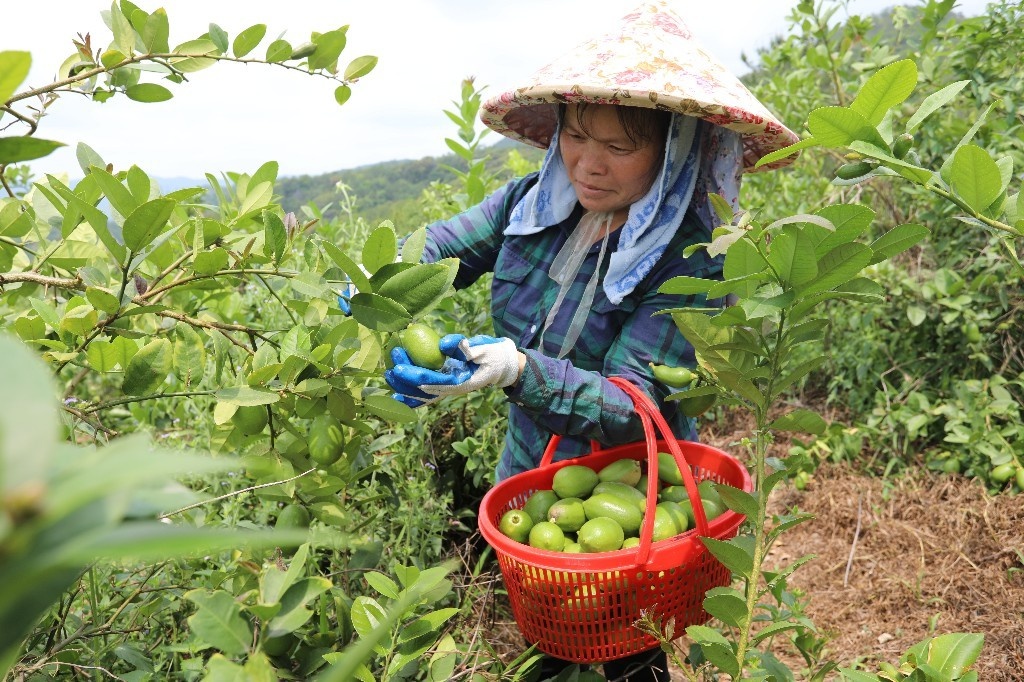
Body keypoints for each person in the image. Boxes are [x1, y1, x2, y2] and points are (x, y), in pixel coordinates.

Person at [383, 1, 798, 679]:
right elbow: (435, 252)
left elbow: (634, 405)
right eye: (577, 136)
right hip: (531, 469)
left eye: (620, 147)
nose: (588, 164)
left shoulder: (690, 260)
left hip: (634, 483)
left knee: (629, 641)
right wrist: (376, 284)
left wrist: (518, 370)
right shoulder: (528, 206)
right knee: (551, 630)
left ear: (672, 153)